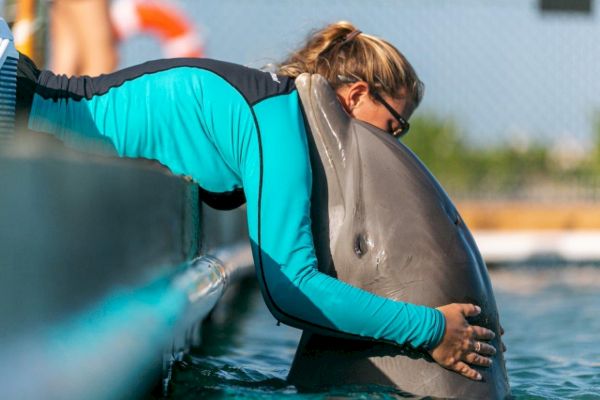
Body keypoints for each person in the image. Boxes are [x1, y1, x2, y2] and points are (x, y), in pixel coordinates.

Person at [6, 19, 497, 381]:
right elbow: (291, 292)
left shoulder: (272, 112)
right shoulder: (278, 119)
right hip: (16, 106)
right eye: (395, 127)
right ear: (354, 96)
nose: (396, 146)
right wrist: (432, 330)